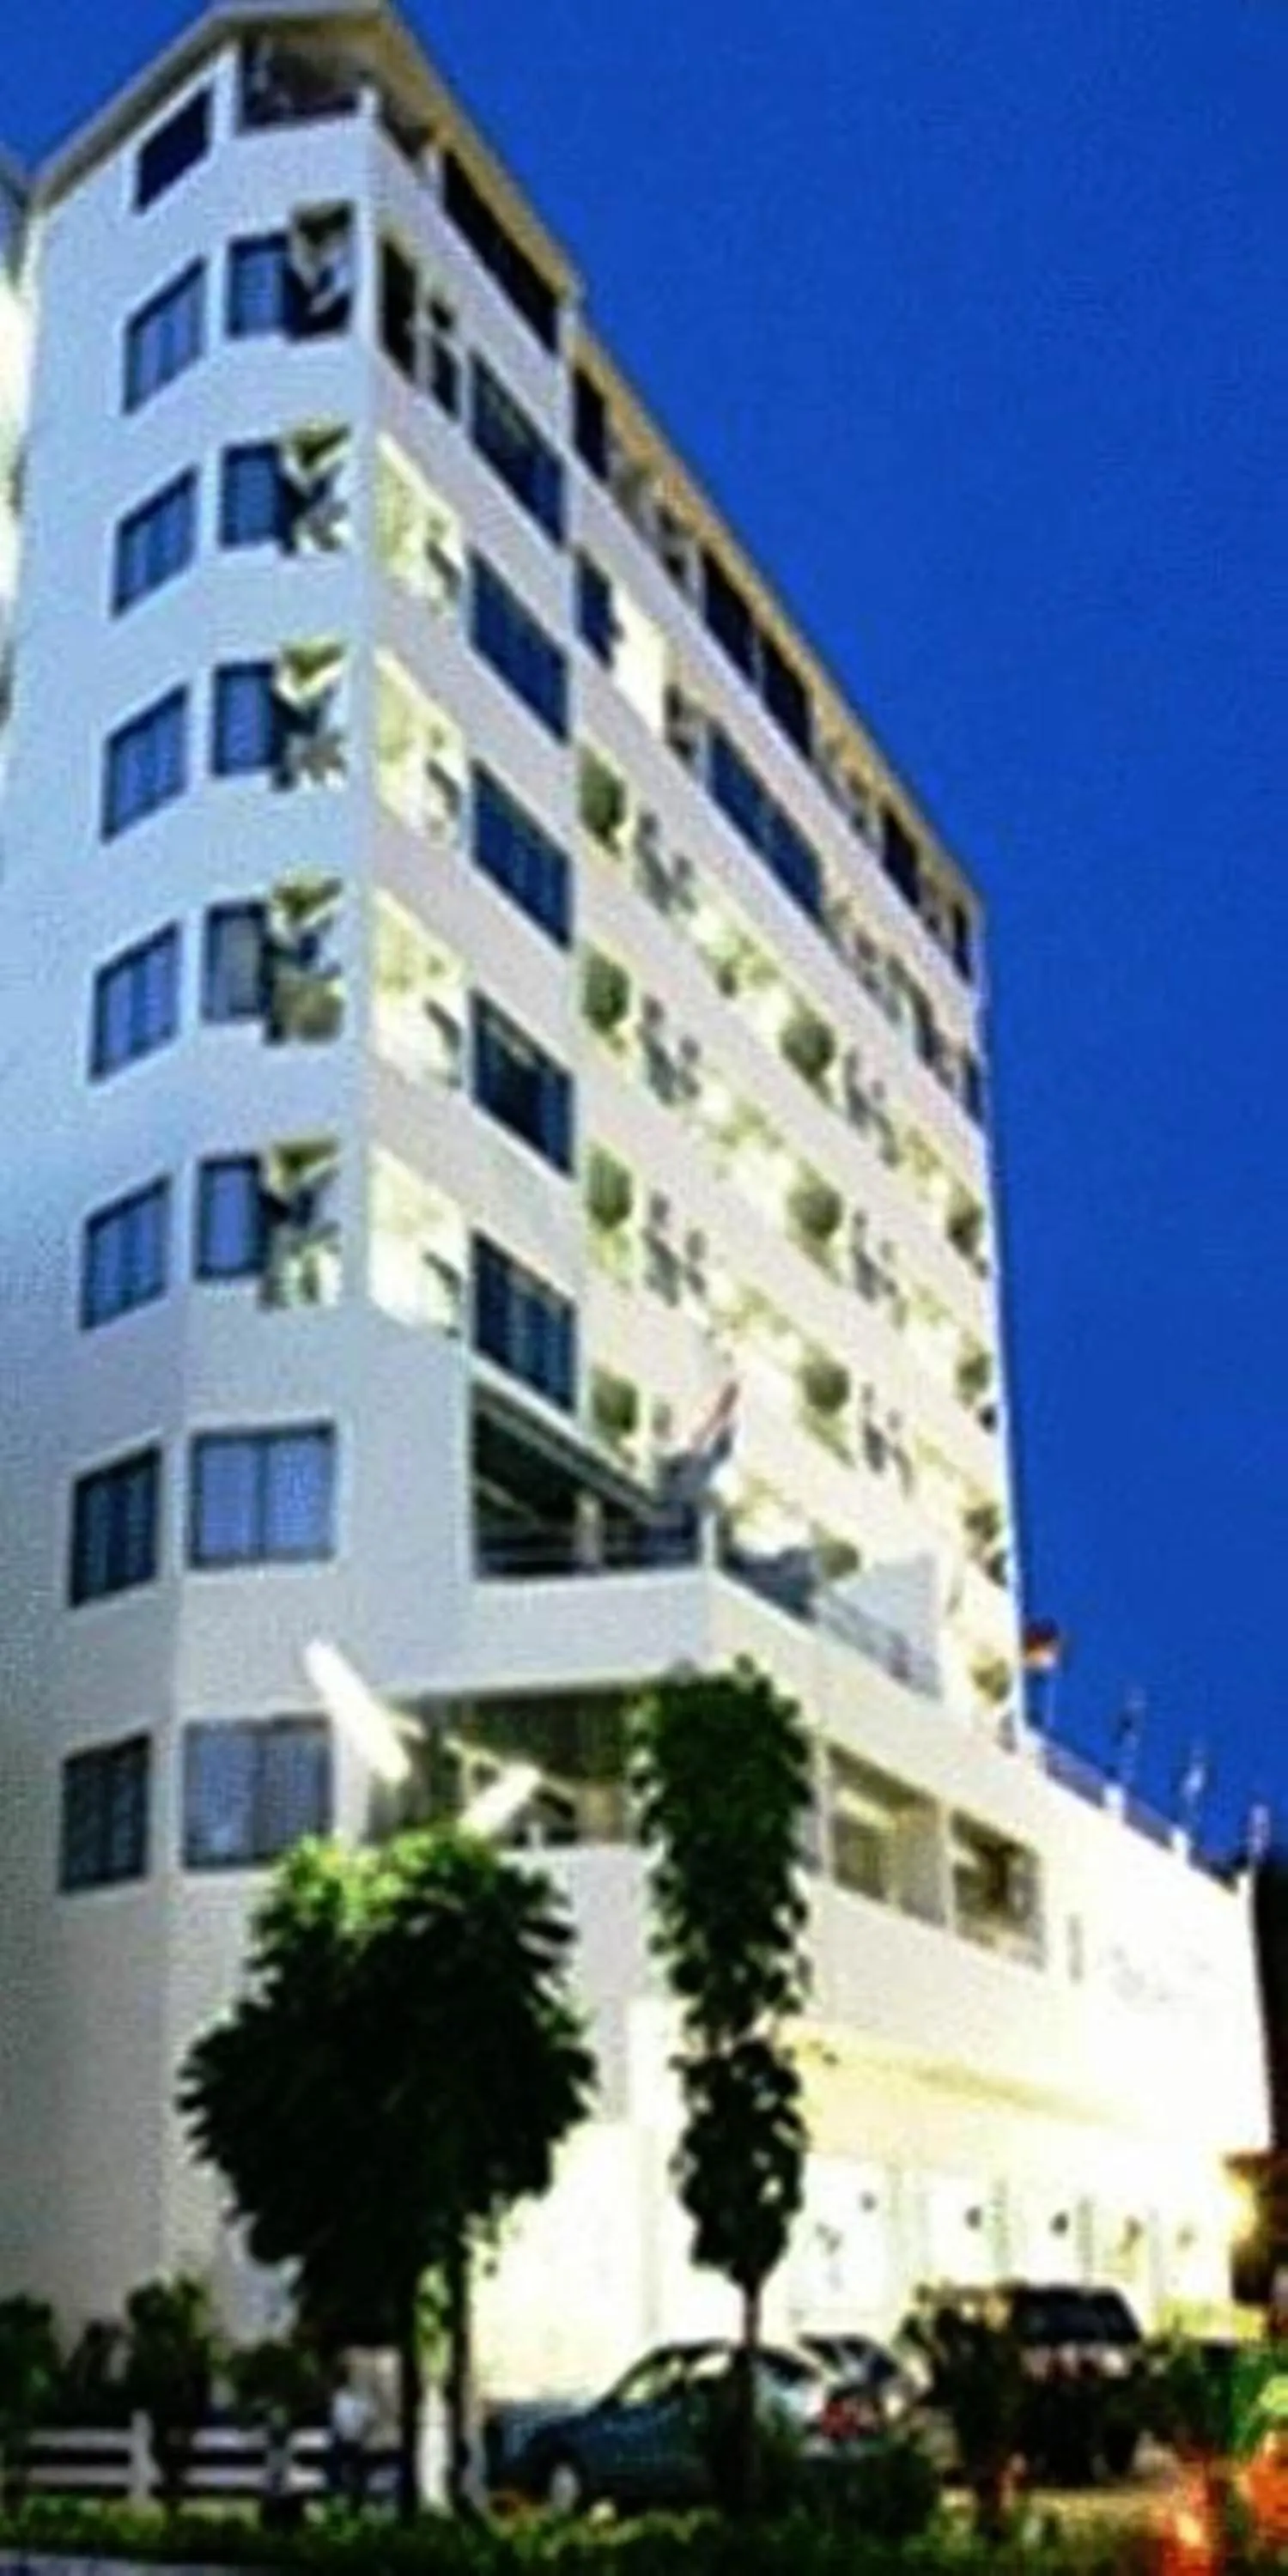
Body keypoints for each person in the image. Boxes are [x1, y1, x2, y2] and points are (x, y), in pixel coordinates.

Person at [327, 2368, 373, 2510]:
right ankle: (347, 2496)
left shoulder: (344, 2397)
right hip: (351, 2439)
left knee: (352, 2471)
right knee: (347, 2470)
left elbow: (337, 2418)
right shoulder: (343, 2396)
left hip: (352, 2439)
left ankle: (351, 2497)